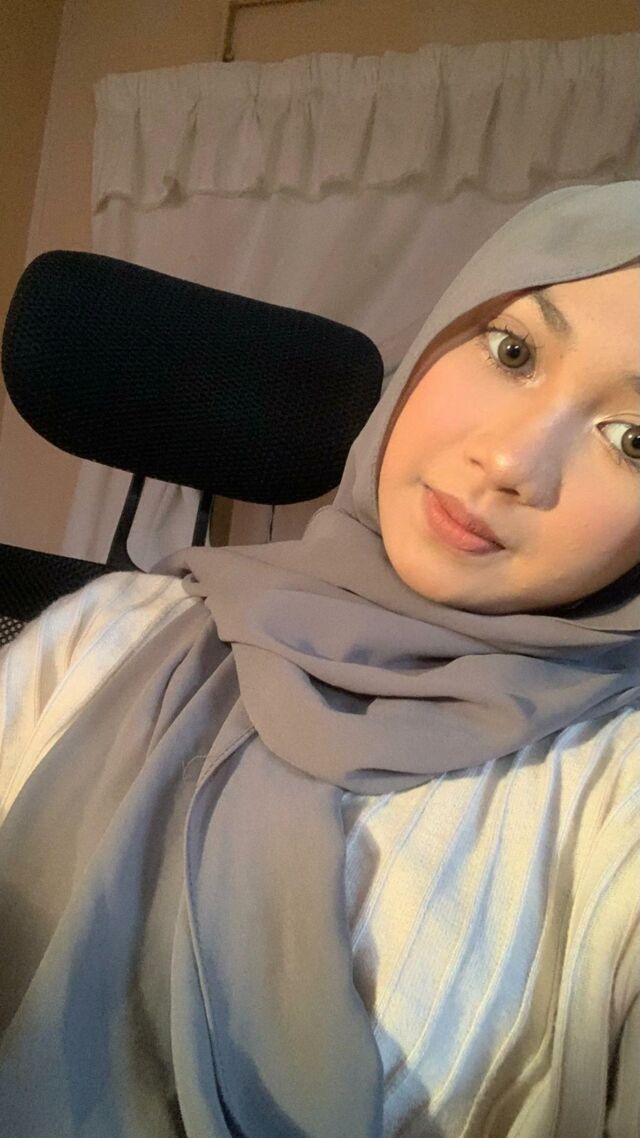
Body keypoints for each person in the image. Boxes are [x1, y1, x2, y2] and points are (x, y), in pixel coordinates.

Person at [0, 180, 639, 1138]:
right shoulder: (109, 633)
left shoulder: (615, 792)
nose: (512, 462)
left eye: (635, 441)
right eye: (513, 351)